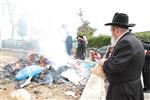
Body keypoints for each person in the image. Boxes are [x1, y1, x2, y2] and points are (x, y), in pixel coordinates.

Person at [100, 12, 145, 100]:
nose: (111, 33)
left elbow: (113, 67)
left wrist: (104, 62)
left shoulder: (126, 42)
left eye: (111, 30)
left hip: (123, 91)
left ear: (116, 29)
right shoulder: (134, 40)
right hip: (132, 87)